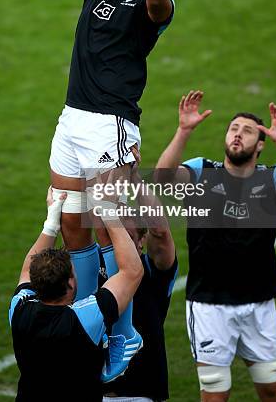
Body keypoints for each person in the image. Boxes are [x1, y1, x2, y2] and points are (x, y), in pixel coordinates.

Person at [48, 0, 177, 380]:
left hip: (112, 126)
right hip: (72, 118)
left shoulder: (157, 6)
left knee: (112, 227)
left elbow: (156, 2)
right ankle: (85, 320)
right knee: (70, 222)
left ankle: (122, 332)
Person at [156, 91, 276, 402]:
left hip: (259, 304)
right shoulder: (202, 171)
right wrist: (184, 131)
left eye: (248, 130)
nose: (238, 134)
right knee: (215, 395)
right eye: (233, 128)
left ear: (260, 145)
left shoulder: (273, 178)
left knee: (274, 392)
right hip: (210, 306)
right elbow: (163, 180)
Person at [9, 187, 143, 401]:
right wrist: (109, 214)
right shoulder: (84, 318)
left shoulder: (20, 309)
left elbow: (26, 270)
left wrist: (51, 225)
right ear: (70, 285)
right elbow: (132, 271)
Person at [102, 170, 178, 402]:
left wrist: (133, 175)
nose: (121, 242)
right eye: (115, 235)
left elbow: (161, 231)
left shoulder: (153, 271)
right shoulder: (93, 267)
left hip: (142, 394)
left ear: (142, 240)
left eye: (128, 235)